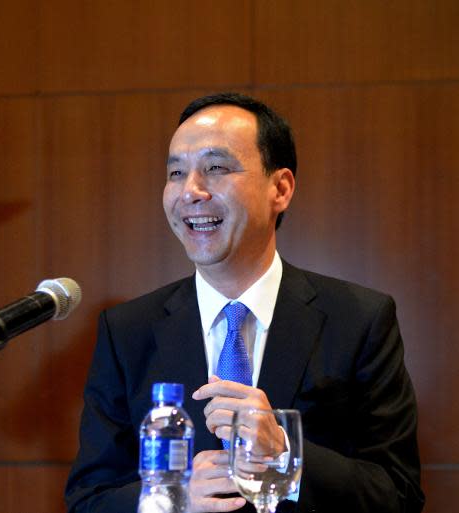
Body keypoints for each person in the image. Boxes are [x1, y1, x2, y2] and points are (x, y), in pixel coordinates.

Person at [64, 93, 424, 513]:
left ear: (281, 188)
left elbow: (398, 495)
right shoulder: (127, 331)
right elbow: (88, 501)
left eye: (215, 168)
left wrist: (287, 453)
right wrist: (171, 500)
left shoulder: (359, 320)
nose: (190, 191)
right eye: (176, 173)